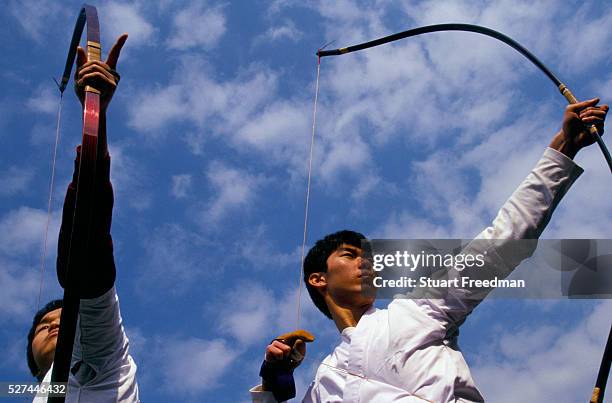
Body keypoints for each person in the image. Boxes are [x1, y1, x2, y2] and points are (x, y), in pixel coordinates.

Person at [251, 98, 608, 402]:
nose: (367, 262)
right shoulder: (324, 383)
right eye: (350, 254)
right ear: (318, 279)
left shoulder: (417, 308)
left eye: (370, 256)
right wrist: (273, 380)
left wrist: (564, 146)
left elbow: (503, 242)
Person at [26, 33, 140, 402]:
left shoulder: (98, 354)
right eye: (44, 327)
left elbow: (87, 249)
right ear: (30, 357)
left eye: (62, 320)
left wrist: (95, 116)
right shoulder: (33, 388)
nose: (54, 325)